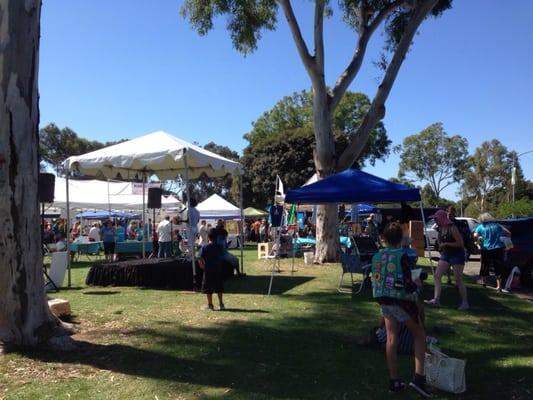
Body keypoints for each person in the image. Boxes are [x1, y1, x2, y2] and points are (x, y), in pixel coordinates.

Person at [370, 222, 430, 397]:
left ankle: (394, 380)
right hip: (401, 301)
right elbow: (408, 283)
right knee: (419, 335)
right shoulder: (402, 256)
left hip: (383, 300)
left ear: (384, 238)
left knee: (391, 338)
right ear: (401, 239)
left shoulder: (377, 256)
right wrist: (417, 284)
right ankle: (419, 378)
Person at [426, 210, 469, 310]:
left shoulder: (452, 228)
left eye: (436, 218)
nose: (435, 220)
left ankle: (465, 303)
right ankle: (436, 300)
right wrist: (440, 245)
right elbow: (440, 241)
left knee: (458, 280)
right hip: (446, 255)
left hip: (457, 255)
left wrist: (446, 244)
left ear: (441, 218)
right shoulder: (441, 229)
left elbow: (461, 243)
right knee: (437, 276)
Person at [474, 212, 511, 292]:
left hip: (486, 249)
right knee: (498, 267)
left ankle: (484, 282)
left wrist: (478, 242)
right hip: (498, 248)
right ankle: (499, 286)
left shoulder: (480, 226)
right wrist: (507, 244)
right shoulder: (497, 225)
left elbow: (475, 235)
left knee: (484, 265)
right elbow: (508, 233)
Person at [198, 228, 225, 311]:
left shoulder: (205, 247)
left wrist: (202, 265)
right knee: (219, 287)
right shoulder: (220, 247)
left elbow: (200, 257)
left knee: (208, 288)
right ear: (217, 237)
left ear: (208, 237)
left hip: (208, 270)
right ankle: (221, 304)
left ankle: (210, 305)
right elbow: (222, 257)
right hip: (218, 269)